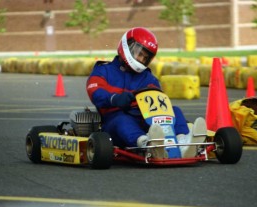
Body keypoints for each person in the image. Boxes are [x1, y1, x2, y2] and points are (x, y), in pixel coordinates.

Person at [86, 27, 206, 158]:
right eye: (139, 53)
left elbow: (158, 100)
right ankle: (145, 144)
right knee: (122, 120)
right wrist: (114, 99)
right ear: (128, 46)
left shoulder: (147, 77)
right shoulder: (104, 70)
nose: (142, 59)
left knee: (175, 110)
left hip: (146, 122)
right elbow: (94, 91)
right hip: (113, 122)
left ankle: (183, 142)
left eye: (145, 57)